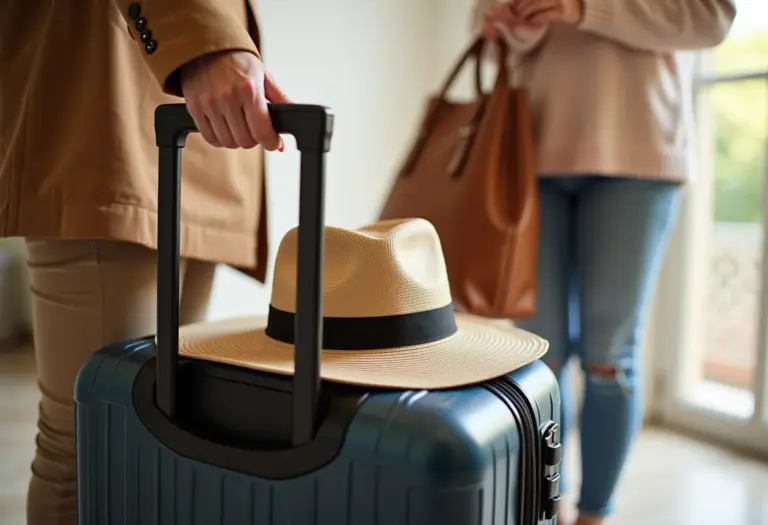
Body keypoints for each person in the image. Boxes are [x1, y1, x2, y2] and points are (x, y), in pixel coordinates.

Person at [0, 1, 288, 523]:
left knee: (160, 431)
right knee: (90, 445)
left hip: (198, 124)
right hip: (111, 91)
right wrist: (199, 38)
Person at [474, 1, 737, 524]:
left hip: (639, 151)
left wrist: (585, 9)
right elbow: (485, 28)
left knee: (609, 358)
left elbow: (712, 19)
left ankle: (594, 514)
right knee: (536, 358)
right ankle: (546, 507)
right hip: (528, 146)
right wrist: (519, 20)